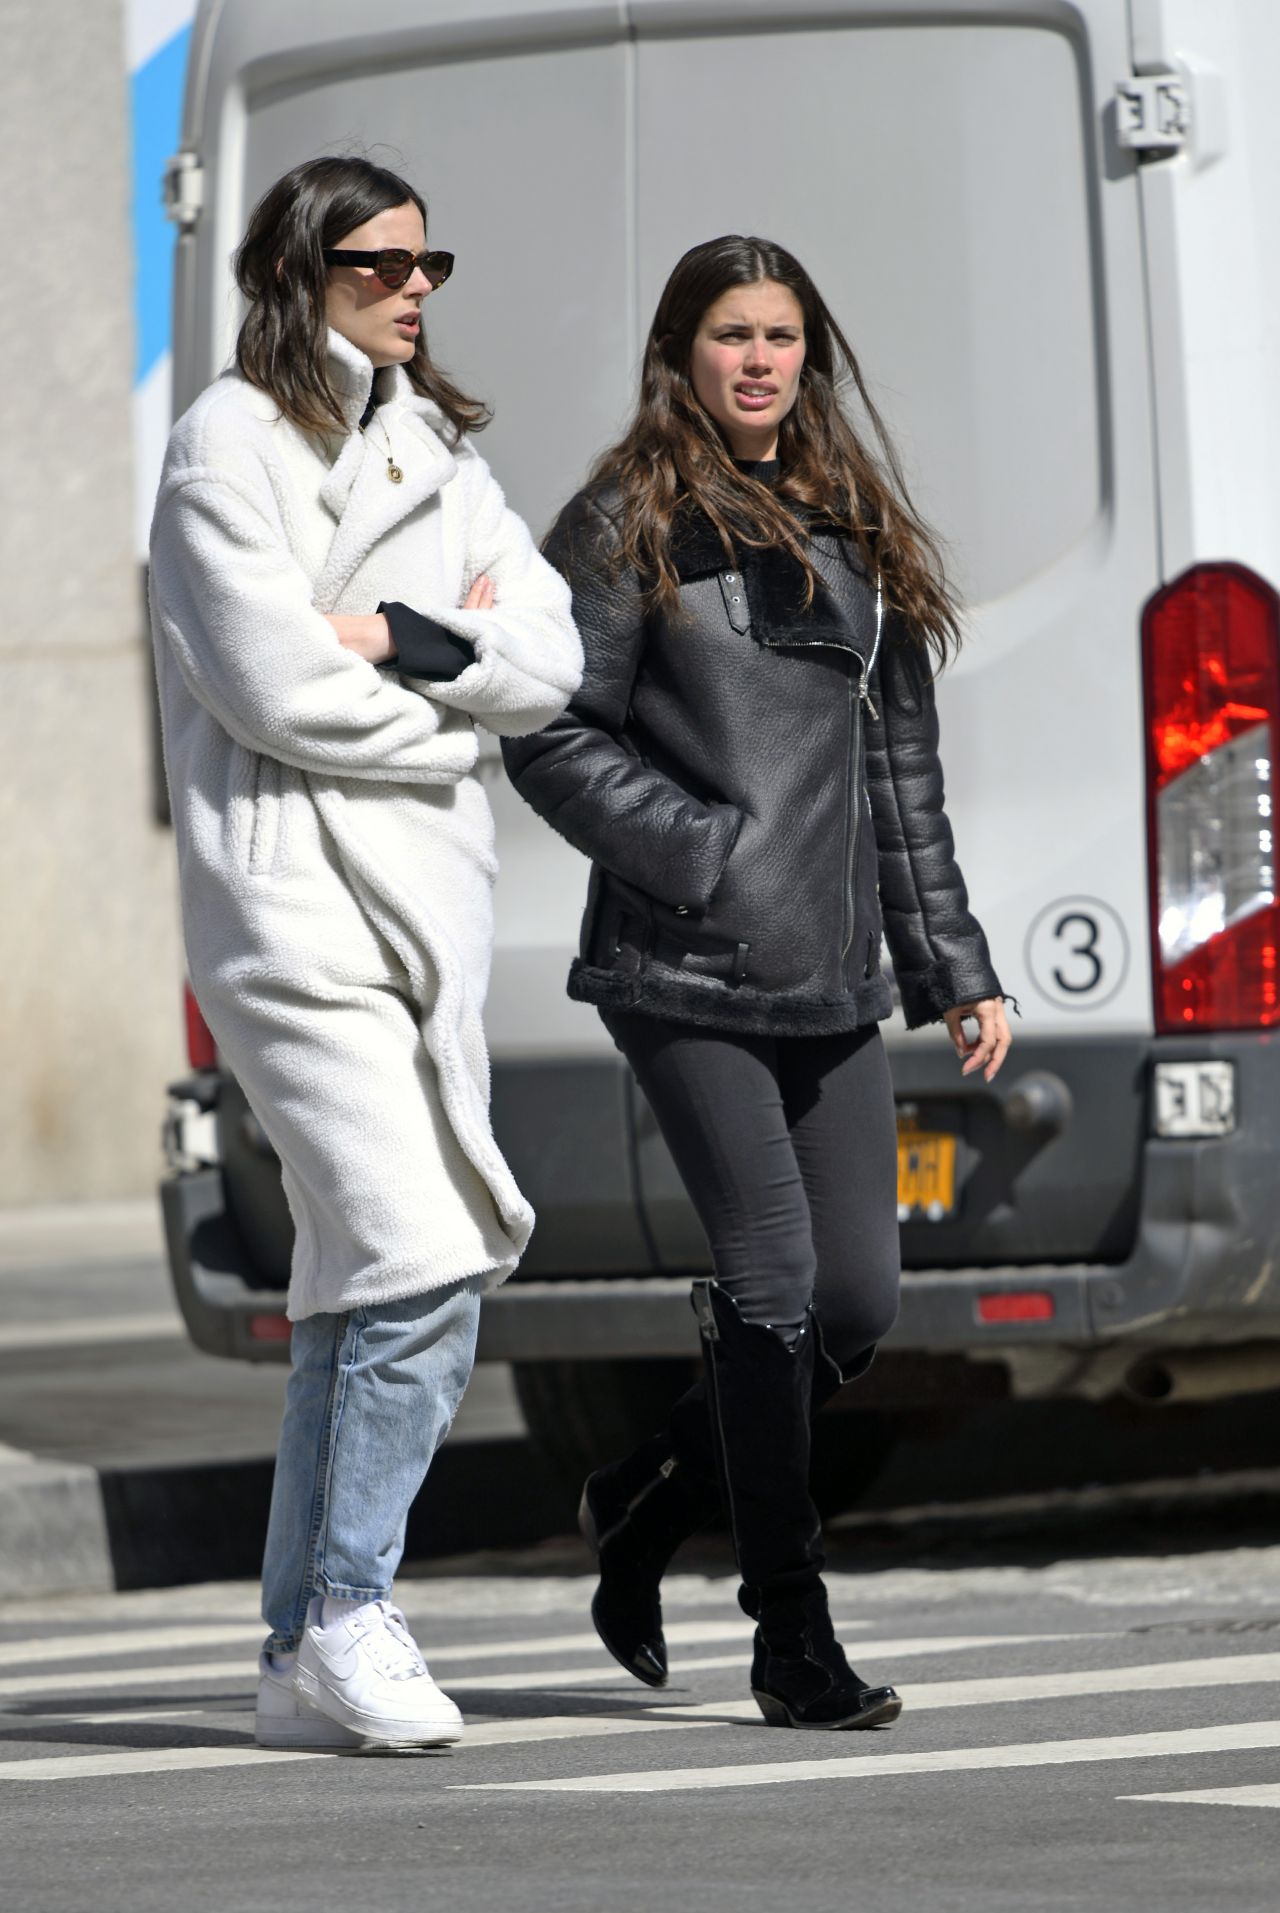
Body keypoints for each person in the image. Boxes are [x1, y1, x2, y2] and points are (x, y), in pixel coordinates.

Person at [503, 234, 1010, 1731]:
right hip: (684, 960)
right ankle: (791, 1632)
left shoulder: (853, 522)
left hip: (832, 970)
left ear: (811, 354)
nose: (759, 360)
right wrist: (701, 851)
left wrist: (954, 964)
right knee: (775, 1283)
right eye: (731, 333)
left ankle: (645, 1497)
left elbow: (897, 775)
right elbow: (547, 730)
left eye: (782, 335)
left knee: (855, 1298)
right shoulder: (621, 520)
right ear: (683, 349)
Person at [149, 156, 581, 1752]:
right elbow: (270, 689)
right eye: (378, 263)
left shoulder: (432, 446)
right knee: (418, 1249)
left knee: (352, 1285)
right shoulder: (223, 448)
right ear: (299, 271)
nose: (413, 287)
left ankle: (288, 1651)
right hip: (284, 907)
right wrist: (442, 726)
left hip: (423, 903)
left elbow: (547, 659)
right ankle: (351, 1607)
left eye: (428, 262)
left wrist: (397, 634)